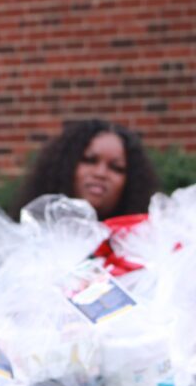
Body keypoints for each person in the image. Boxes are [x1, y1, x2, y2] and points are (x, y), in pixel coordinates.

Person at [14, 118, 161, 275]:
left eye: (116, 168)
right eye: (90, 160)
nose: (100, 173)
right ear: (65, 167)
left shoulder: (144, 254)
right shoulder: (26, 244)